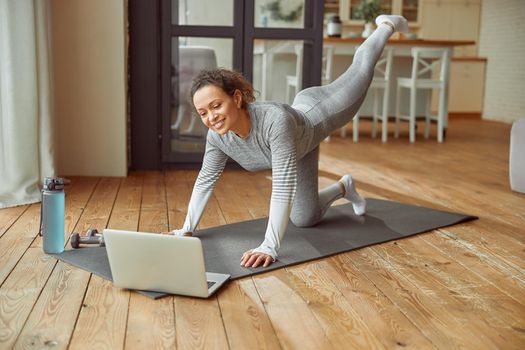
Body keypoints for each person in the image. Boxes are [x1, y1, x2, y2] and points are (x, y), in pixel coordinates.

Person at [169, 15, 409, 268]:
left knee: (362, 68)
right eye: (203, 113)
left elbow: (283, 185)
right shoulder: (218, 137)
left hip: (322, 110)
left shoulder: (275, 122)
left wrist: (269, 246)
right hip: (300, 147)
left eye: (216, 105)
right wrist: (187, 229)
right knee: (305, 218)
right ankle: (344, 187)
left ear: (237, 98)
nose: (211, 117)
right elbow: (206, 181)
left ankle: (387, 25)